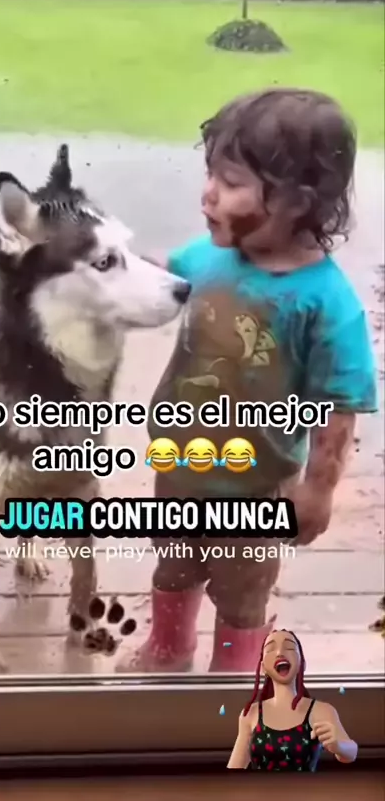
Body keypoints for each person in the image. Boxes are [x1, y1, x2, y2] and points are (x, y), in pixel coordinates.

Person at [117, 88, 378, 674]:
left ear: (297, 201)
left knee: (241, 592)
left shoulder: (327, 303)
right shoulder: (210, 257)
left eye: (230, 181)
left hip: (255, 489)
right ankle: (169, 650)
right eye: (210, 174)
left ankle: (231, 676)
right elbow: (161, 276)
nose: (208, 192)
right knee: (172, 565)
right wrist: (107, 269)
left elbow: (339, 409)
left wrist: (318, 489)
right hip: (178, 466)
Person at [227, 628, 358, 770]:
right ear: (263, 667)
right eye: (270, 649)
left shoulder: (321, 710)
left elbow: (351, 753)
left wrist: (339, 746)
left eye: (289, 647)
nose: (280, 653)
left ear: (302, 663)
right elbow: (234, 769)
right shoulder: (251, 714)